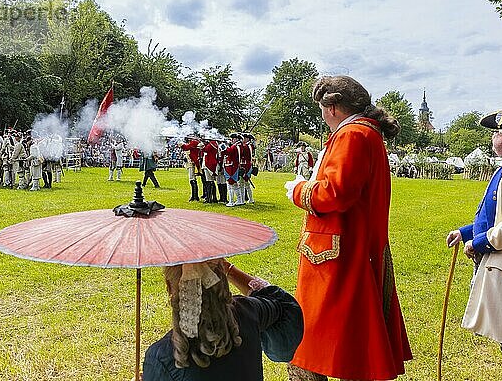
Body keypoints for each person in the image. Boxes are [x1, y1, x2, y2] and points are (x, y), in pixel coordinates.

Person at [284, 75, 411, 381]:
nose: (322, 116)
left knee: (314, 344)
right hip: (348, 247)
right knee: (347, 341)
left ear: (334, 107)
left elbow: (334, 193)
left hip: (336, 256)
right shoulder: (364, 133)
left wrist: (298, 190)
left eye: (322, 109)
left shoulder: (352, 134)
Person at [446, 104, 502, 381]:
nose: (493, 138)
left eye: (497, 133)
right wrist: (466, 232)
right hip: (501, 257)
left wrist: (480, 243)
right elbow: (494, 213)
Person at [141, 259, 304, 381]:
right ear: (221, 279)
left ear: (169, 287)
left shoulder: (161, 356)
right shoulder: (247, 312)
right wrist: (231, 270)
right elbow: (283, 303)